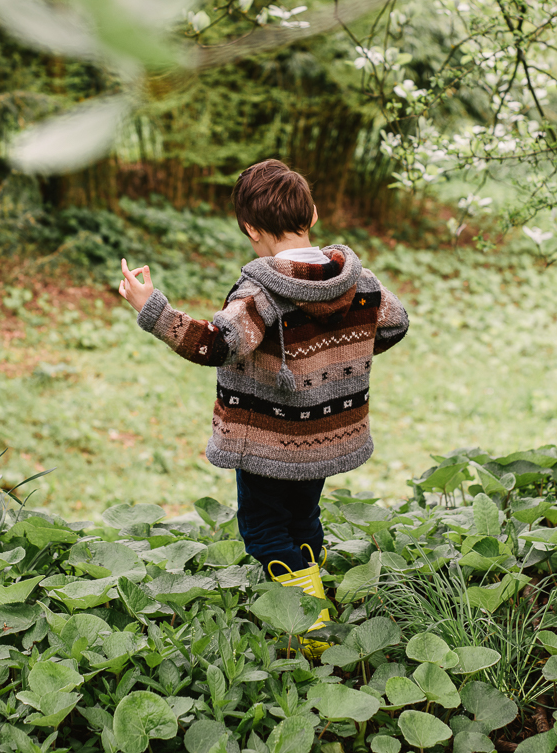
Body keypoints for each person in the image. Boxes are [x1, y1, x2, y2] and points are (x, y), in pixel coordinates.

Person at [117, 159, 409, 647]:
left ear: (250, 228)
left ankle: (311, 630)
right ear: (312, 213)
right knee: (302, 518)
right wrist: (339, 355)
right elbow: (395, 322)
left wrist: (152, 309)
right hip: (324, 435)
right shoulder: (358, 281)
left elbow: (215, 344)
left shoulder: (261, 294)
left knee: (264, 530)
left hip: (268, 443)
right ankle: (312, 597)